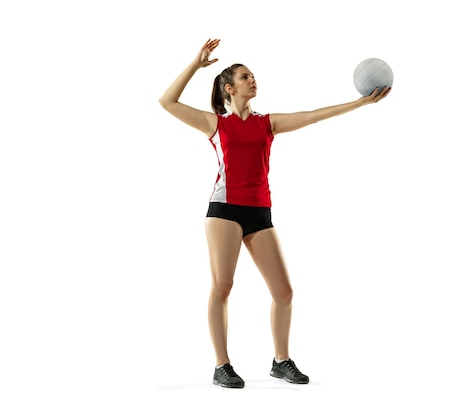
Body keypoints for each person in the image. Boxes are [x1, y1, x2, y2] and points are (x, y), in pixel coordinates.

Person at [158, 38, 390, 389]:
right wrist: (195, 64)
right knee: (223, 285)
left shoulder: (267, 123)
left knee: (283, 292)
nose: (253, 80)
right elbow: (167, 101)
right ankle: (222, 365)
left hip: (259, 212)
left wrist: (359, 103)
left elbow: (312, 116)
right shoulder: (215, 124)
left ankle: (281, 362)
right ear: (228, 87)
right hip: (224, 211)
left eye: (253, 75)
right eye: (245, 76)